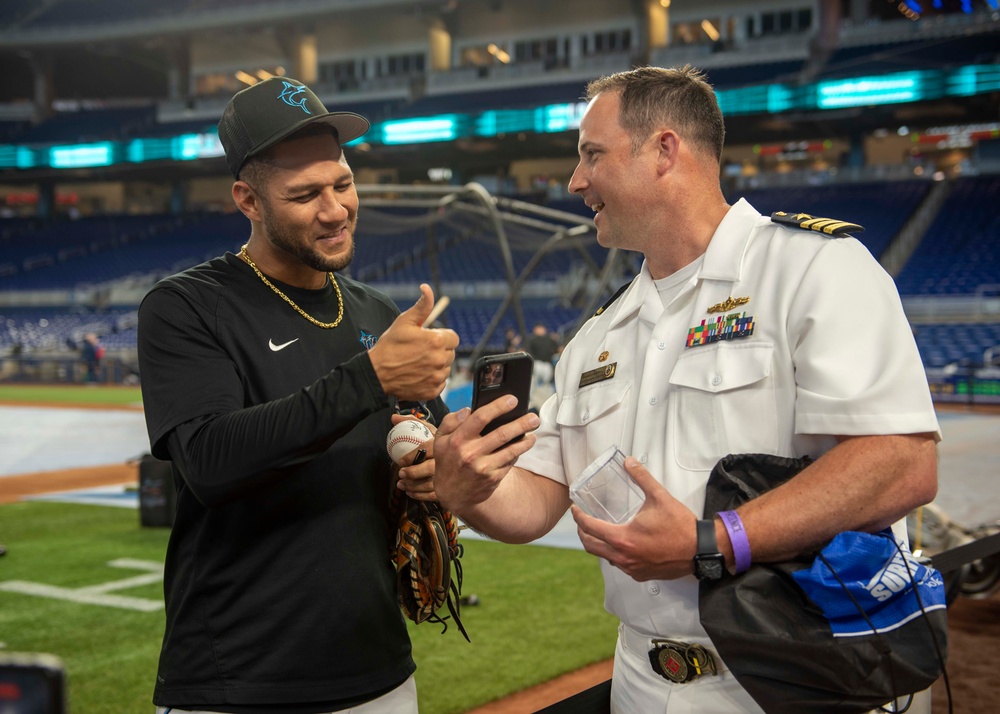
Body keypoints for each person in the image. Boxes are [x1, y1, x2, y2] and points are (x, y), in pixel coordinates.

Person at [429, 66, 940, 713]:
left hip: (801, 676)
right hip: (641, 682)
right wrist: (469, 489)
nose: (575, 182)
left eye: (592, 155)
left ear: (665, 150)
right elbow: (535, 502)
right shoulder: (599, 334)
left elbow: (902, 464)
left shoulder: (813, 269)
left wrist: (714, 541)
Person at [137, 77, 459, 714]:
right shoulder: (186, 306)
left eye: (342, 183)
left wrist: (441, 461)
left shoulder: (375, 310)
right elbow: (209, 460)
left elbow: (429, 443)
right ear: (248, 200)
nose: (335, 209)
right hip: (240, 681)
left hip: (382, 673)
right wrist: (369, 378)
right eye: (305, 194)